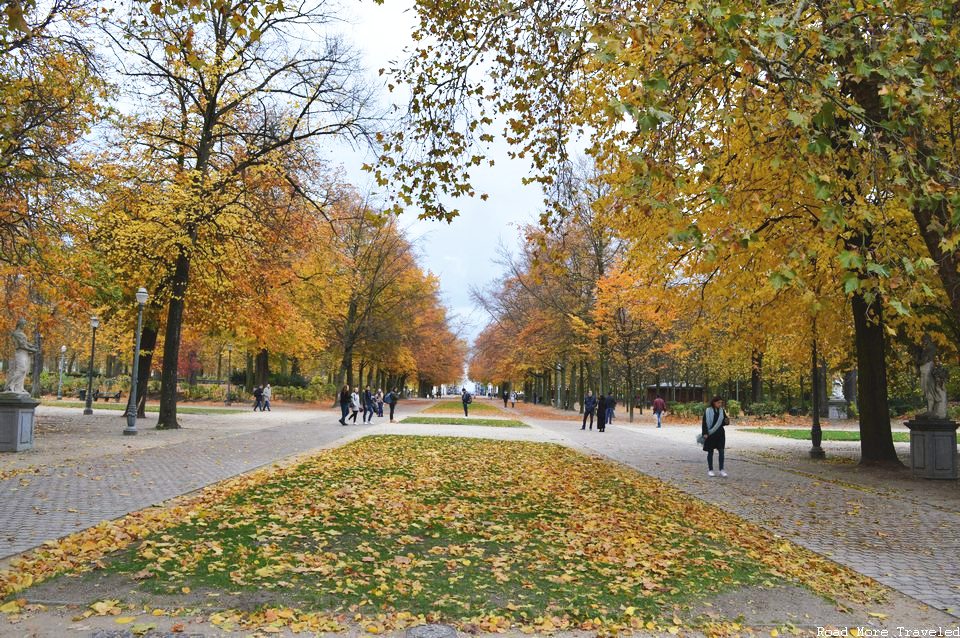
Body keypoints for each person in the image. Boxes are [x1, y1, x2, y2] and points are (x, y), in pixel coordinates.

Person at [702, 396, 729, 477]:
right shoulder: (708, 411)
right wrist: (705, 433)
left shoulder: (721, 411)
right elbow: (704, 423)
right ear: (714, 402)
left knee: (721, 451)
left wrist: (727, 421)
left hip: (720, 434)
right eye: (718, 402)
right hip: (711, 434)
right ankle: (710, 470)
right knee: (710, 452)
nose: (720, 404)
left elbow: (724, 422)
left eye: (721, 403)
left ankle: (721, 470)